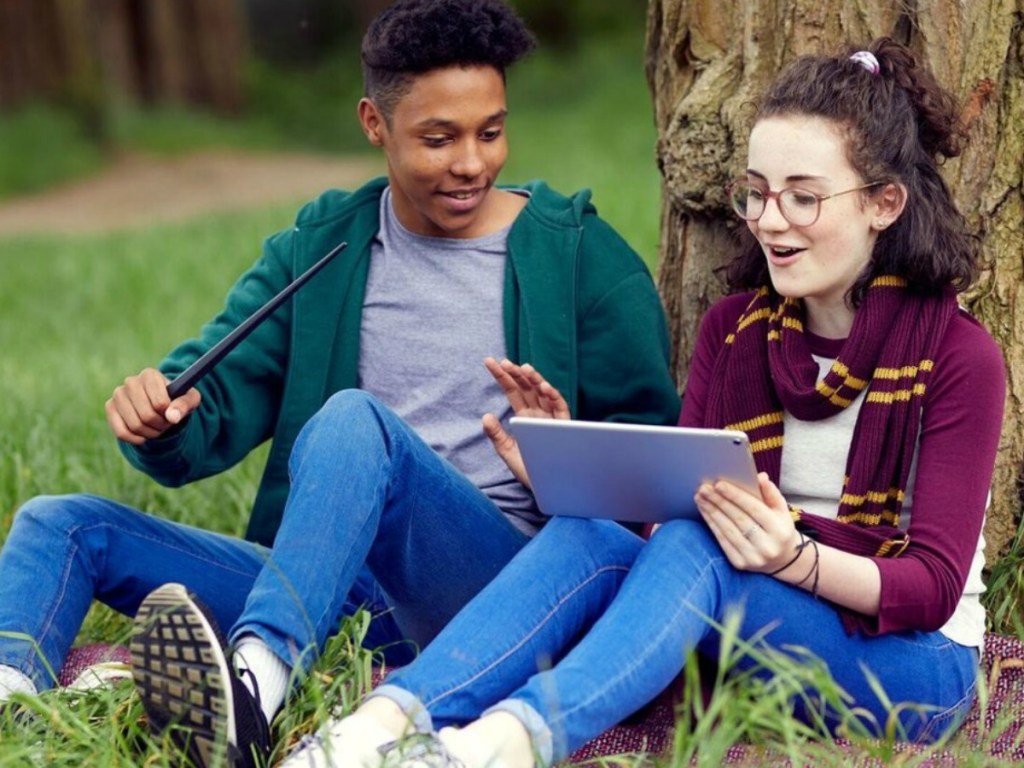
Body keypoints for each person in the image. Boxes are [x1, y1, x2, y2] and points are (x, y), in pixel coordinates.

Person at [275, 37, 1007, 768]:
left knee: (705, 543)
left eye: (804, 197)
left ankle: (499, 746)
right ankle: (374, 729)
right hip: (750, 609)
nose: (771, 220)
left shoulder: (958, 356)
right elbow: (670, 526)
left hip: (911, 662)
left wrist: (793, 557)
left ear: (884, 203)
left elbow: (935, 587)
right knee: (592, 535)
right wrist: (567, 475)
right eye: (756, 192)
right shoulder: (735, 333)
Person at [0, 0, 679, 763]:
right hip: (331, 585)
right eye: (438, 137)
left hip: (491, 587)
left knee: (357, 423)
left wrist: (562, 459)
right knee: (60, 524)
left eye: (490, 131)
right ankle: (13, 713)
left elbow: (650, 483)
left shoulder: (580, 257)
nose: (472, 162)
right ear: (373, 124)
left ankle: (254, 688)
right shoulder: (323, 246)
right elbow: (211, 399)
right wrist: (162, 417)